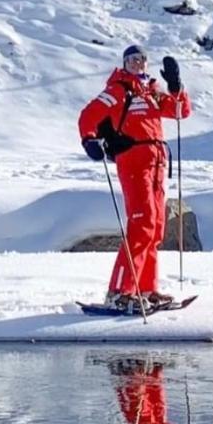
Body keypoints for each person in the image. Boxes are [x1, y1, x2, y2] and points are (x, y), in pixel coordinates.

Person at [77, 45, 191, 311]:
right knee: (141, 225)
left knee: (155, 227)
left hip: (157, 163)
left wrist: (176, 86)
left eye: (141, 59)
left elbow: (179, 111)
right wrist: (89, 141)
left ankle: (147, 288)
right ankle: (119, 292)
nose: (138, 63)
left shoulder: (152, 92)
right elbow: (88, 116)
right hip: (134, 161)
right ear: (125, 63)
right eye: (132, 59)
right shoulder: (119, 90)